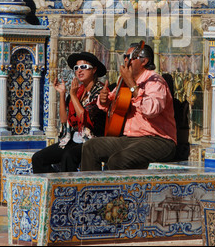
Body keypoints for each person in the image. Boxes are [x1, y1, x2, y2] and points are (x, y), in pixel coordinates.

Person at [81, 43, 177, 171]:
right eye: (124, 56)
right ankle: (92, 189)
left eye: (129, 57)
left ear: (144, 61)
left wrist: (132, 84)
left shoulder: (155, 82)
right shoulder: (124, 81)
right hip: (131, 139)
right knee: (90, 147)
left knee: (117, 160)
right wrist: (104, 100)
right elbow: (113, 104)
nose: (125, 60)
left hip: (159, 140)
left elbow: (150, 110)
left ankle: (116, 190)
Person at [32, 52, 106, 173]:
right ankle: (56, 186)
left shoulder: (100, 92)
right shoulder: (78, 91)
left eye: (84, 67)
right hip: (73, 139)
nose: (79, 71)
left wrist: (72, 95)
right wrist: (62, 94)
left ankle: (68, 189)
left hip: (91, 140)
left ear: (94, 70)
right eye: (76, 68)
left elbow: (85, 118)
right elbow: (64, 119)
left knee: (68, 156)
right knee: (38, 158)